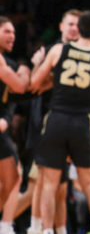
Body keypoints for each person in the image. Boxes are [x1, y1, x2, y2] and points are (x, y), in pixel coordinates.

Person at [29, 11, 90, 234]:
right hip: (83, 121)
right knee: (89, 181)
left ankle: (47, 230)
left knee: (49, 182)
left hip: (57, 117)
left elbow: (35, 83)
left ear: (79, 29)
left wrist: (39, 63)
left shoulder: (58, 50)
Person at [0, 16, 32, 234]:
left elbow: (11, 100)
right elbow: (21, 86)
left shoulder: (8, 64)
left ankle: (5, 226)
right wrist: (26, 68)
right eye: (6, 31)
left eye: (13, 31)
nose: (12, 36)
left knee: (13, 177)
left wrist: (6, 119)